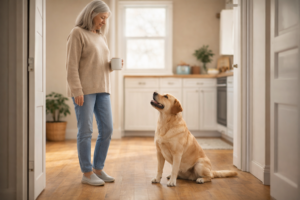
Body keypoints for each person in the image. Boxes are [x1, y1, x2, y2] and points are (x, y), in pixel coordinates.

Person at [66, 0, 122, 186]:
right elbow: (71, 65)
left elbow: (98, 64)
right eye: (102, 17)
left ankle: (98, 168)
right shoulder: (77, 33)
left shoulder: (100, 36)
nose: (104, 22)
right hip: (85, 91)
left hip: (103, 89)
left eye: (106, 18)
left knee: (107, 129)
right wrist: (76, 90)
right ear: (92, 14)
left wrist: (113, 66)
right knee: (86, 131)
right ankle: (87, 173)